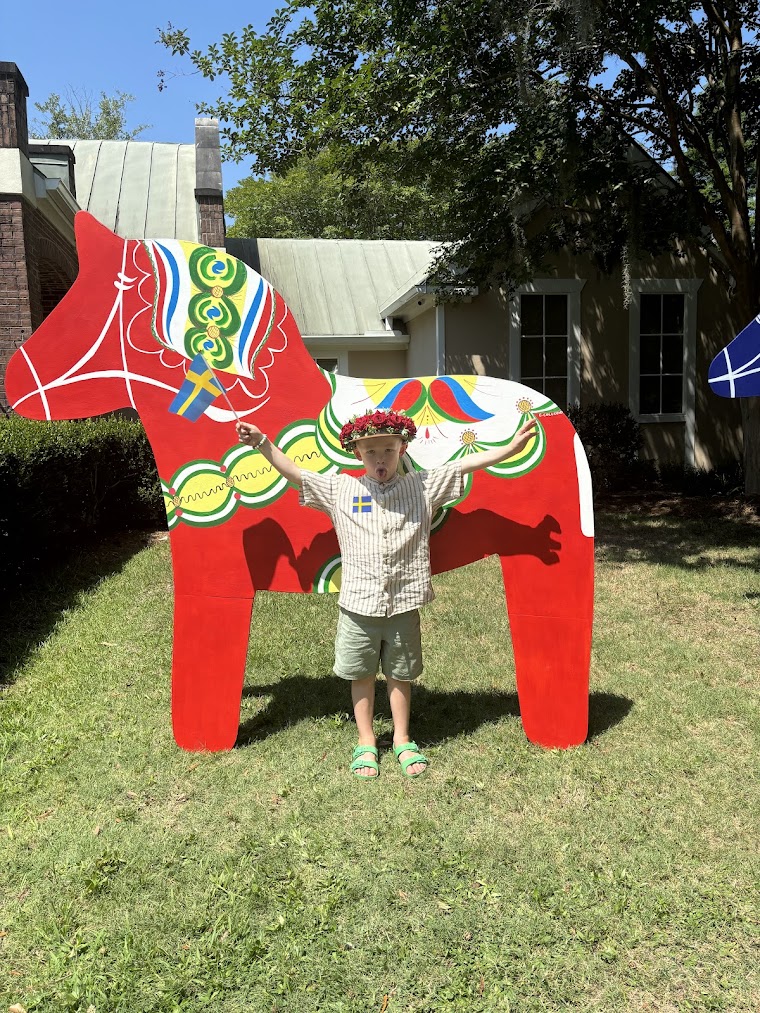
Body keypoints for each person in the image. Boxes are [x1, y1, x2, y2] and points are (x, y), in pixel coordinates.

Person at [236, 409, 537, 779]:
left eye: (389, 451)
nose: (380, 459)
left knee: (400, 674)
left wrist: (509, 449)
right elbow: (296, 473)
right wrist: (263, 443)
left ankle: (401, 738)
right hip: (357, 606)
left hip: (403, 604)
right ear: (357, 454)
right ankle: (365, 741)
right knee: (360, 674)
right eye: (371, 452)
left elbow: (466, 465)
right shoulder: (341, 490)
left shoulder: (422, 487)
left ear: (402, 448)